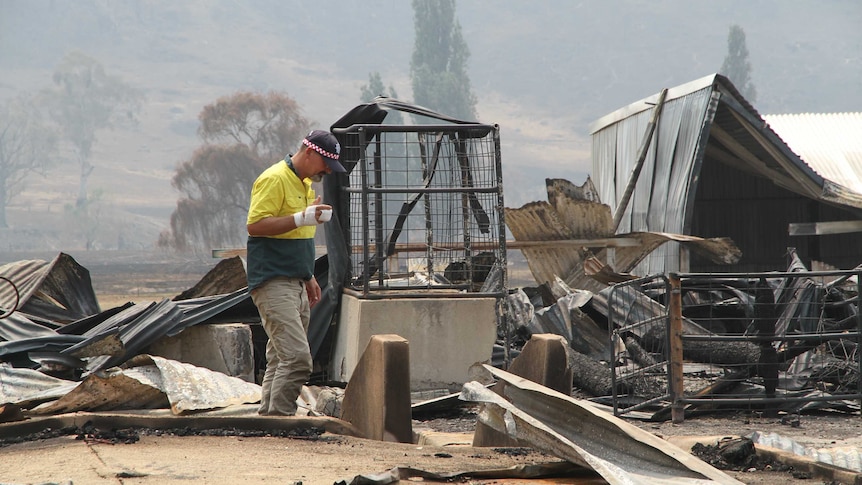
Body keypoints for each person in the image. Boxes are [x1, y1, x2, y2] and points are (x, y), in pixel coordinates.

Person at [246, 129, 346, 416]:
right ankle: (281, 416)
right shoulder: (274, 178)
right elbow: (255, 226)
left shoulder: (303, 184)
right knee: (298, 359)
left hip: (295, 280)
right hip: (272, 280)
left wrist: (309, 275)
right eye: (325, 162)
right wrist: (300, 217)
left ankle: (271, 418)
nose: (327, 170)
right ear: (309, 151)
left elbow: (295, 235)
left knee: (280, 357)